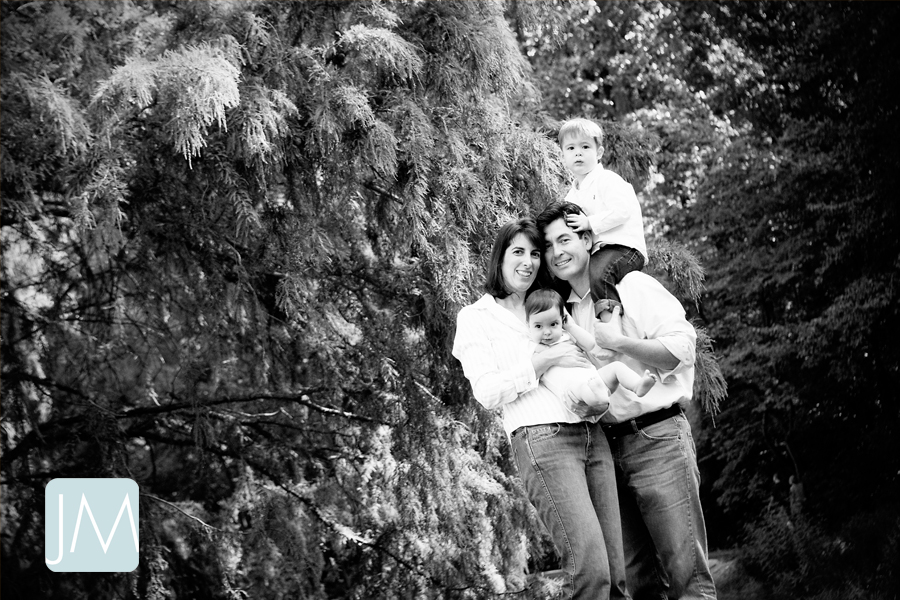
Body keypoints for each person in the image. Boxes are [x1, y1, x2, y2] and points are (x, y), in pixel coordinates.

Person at [536, 202, 717, 600]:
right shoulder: (560, 316)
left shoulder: (631, 285)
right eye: (547, 246)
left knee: (687, 578)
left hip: (657, 440)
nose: (556, 252)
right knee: (640, 584)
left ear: (588, 239)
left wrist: (619, 342)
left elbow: (682, 349)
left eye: (565, 239)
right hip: (602, 452)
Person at [452, 218, 630, 600]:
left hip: (592, 435)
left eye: (535, 253)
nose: (529, 261)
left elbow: (587, 360)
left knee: (616, 577)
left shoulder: (550, 305)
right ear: (499, 258)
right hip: (543, 442)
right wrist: (542, 362)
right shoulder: (476, 318)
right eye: (518, 251)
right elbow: (488, 391)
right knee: (591, 572)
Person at [558, 118, 647, 318]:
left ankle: (610, 322)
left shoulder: (608, 180)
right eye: (571, 148)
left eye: (585, 147)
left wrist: (589, 222)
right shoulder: (570, 196)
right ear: (563, 155)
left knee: (600, 275)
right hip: (598, 251)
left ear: (599, 153)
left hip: (624, 248)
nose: (578, 153)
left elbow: (623, 211)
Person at [525, 288, 657, 405]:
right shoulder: (532, 346)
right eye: (538, 326)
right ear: (528, 325)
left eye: (553, 324)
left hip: (596, 379)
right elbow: (531, 368)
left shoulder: (566, 335)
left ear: (562, 320)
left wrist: (570, 326)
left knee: (616, 367)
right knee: (583, 389)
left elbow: (590, 344)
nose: (547, 332)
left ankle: (637, 385)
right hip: (573, 391)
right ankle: (598, 397)